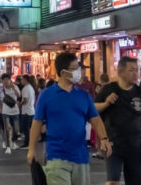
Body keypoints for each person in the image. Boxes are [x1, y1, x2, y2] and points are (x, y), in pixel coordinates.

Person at [27, 52, 110, 185]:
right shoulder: (46, 95)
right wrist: (32, 148)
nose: (80, 71)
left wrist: (104, 138)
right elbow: (36, 123)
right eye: (76, 68)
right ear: (64, 72)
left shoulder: (84, 95)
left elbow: (95, 119)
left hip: (81, 156)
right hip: (56, 156)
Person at [95, 56, 141, 185]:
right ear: (121, 72)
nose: (135, 73)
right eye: (132, 70)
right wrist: (106, 103)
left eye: (136, 70)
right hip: (114, 145)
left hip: (135, 145)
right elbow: (92, 109)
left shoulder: (140, 92)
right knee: (113, 181)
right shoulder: (109, 89)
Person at [0, 75, 22, 154]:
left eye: (6, 79)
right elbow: (0, 99)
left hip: (15, 111)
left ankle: (12, 141)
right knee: (7, 129)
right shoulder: (1, 89)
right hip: (5, 112)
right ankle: (8, 146)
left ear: (10, 80)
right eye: (3, 80)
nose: (5, 81)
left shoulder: (15, 87)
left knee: (16, 129)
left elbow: (19, 96)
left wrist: (13, 88)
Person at [19, 75, 36, 148]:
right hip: (31, 111)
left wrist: (19, 104)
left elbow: (25, 100)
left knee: (25, 129)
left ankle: (27, 143)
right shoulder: (31, 88)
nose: (21, 81)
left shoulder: (25, 89)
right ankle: (29, 143)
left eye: (22, 80)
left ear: (25, 80)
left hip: (26, 111)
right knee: (29, 129)